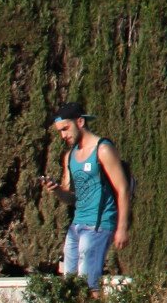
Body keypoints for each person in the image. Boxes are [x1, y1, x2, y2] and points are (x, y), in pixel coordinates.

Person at [48, 105, 129, 290]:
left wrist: (122, 227)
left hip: (98, 225)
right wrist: (56, 190)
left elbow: (122, 188)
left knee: (88, 284)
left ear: (80, 121)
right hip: (76, 226)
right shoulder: (70, 156)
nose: (63, 136)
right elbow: (71, 198)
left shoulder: (103, 150)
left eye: (65, 129)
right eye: (60, 132)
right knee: (70, 284)